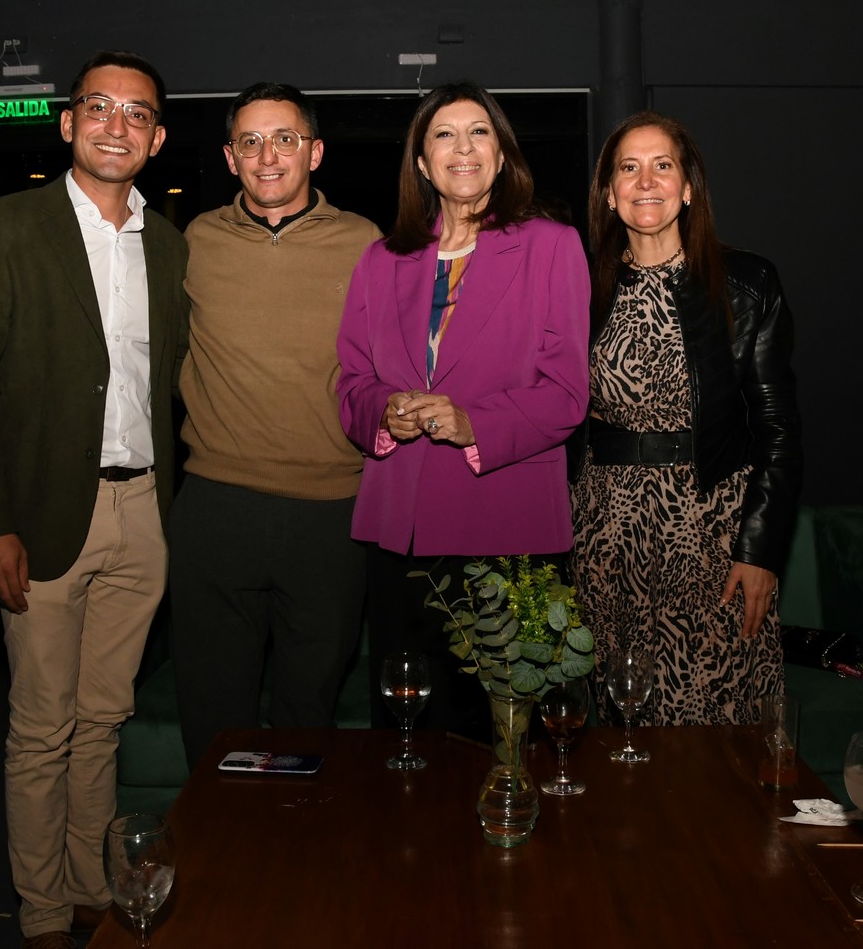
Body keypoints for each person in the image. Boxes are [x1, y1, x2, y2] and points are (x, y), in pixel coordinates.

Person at [0, 50, 188, 949]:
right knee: (42, 726)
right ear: (66, 122)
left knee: (105, 718)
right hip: (40, 511)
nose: (115, 124)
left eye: (136, 114)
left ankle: (90, 885)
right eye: (98, 107)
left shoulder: (168, 241)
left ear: (156, 139)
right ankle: (42, 912)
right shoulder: (1, 225)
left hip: (144, 512)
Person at [336, 81, 590, 738]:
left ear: (501, 154)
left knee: (503, 741)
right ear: (421, 162)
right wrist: (380, 414)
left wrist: (471, 421)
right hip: (403, 533)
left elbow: (567, 393)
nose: (463, 147)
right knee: (410, 735)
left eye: (478, 131)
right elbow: (350, 378)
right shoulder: (380, 258)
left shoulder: (551, 245)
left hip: (505, 528)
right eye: (443, 134)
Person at [170, 82, 382, 769]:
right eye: (251, 141)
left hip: (329, 513)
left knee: (307, 711)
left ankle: (292, 858)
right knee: (212, 708)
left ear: (314, 152)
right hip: (216, 506)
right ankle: (219, 861)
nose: (268, 156)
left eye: (284, 139)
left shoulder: (364, 243)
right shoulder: (194, 241)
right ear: (230, 157)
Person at [571, 111, 802, 726]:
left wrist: (761, 549)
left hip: (711, 535)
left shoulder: (747, 283)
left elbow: (778, 432)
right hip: (605, 535)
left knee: (711, 714)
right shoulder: (576, 286)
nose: (646, 182)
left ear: (689, 186)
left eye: (662, 165)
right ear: (610, 192)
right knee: (615, 718)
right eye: (628, 168)